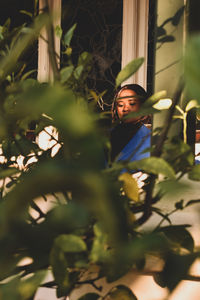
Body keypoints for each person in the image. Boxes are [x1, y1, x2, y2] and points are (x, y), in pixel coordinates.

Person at [109, 84, 151, 166]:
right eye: (120, 105)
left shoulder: (150, 137)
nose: (125, 109)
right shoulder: (108, 135)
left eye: (132, 103)